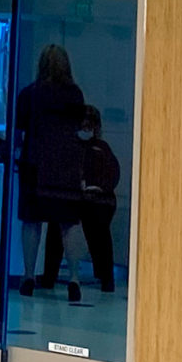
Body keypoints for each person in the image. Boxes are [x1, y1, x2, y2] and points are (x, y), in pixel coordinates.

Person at [13, 43, 82, 297]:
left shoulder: (29, 94)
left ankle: (29, 275)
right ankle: (74, 277)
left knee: (31, 221)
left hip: (35, 165)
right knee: (69, 223)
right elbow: (78, 128)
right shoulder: (75, 94)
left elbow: (19, 133)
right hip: (66, 166)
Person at [77, 105, 120, 295]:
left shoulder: (98, 149)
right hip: (99, 200)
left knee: (98, 235)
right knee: (99, 236)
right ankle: (105, 277)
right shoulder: (101, 148)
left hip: (98, 198)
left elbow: (112, 174)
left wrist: (98, 187)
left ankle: (104, 276)